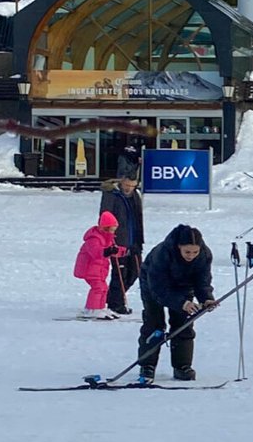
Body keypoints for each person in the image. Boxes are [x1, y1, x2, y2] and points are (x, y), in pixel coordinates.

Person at [138, 224, 217, 382]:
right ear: (178, 246)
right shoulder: (162, 254)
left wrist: (206, 298)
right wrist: (181, 303)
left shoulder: (204, 255)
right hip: (153, 286)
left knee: (184, 324)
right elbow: (158, 288)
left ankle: (182, 366)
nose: (191, 256)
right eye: (187, 252)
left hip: (183, 287)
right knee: (154, 325)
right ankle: (147, 365)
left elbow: (202, 281)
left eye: (195, 252)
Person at [100, 155, 145, 314]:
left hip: (134, 242)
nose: (129, 188)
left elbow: (139, 219)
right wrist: (108, 241)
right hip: (117, 242)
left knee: (135, 273)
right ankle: (115, 303)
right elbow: (105, 219)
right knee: (120, 275)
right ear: (121, 181)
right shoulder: (111, 195)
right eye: (127, 185)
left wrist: (139, 241)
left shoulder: (135, 195)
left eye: (132, 185)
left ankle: (111, 298)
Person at [73, 211, 121, 316]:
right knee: (98, 288)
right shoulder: (94, 239)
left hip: (99, 270)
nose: (113, 232)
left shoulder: (108, 239)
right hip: (89, 269)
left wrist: (126, 251)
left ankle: (100, 307)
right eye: (112, 230)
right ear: (105, 228)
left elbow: (114, 250)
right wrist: (107, 251)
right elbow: (96, 252)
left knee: (104, 288)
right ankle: (92, 309)